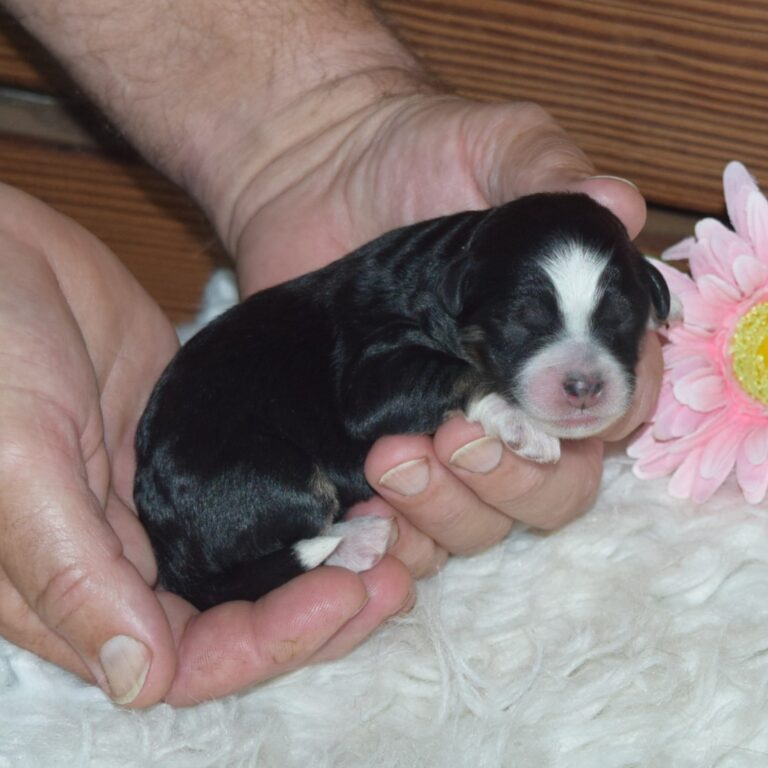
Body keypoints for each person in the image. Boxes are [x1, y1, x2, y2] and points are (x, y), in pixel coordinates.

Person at [0, 0, 661, 707]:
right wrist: (478, 395)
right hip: (232, 462)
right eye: (531, 324)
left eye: (614, 322)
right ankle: (277, 558)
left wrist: (327, 131)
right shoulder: (391, 317)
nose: (587, 374)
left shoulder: (434, 284)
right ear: (462, 294)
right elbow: (380, 401)